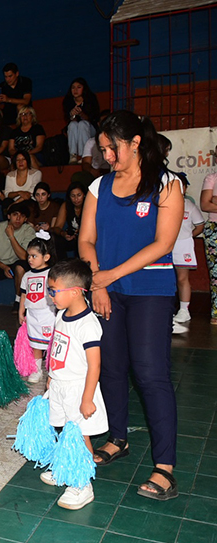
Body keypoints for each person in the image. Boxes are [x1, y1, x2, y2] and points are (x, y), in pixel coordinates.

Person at [78, 110, 184, 501]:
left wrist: (108, 275)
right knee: (111, 367)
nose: (107, 156)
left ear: (135, 142)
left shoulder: (166, 184)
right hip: (107, 290)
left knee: (151, 372)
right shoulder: (97, 187)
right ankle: (118, 438)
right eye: (103, 148)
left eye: (113, 147)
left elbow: (163, 244)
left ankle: (165, 467)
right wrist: (99, 280)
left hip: (150, 290)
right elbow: (86, 240)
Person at [40, 259, 109, 510]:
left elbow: (95, 366)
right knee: (64, 432)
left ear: (76, 291)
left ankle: (82, 484)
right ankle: (66, 468)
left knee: (80, 437)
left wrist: (87, 398)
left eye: (53, 291)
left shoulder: (88, 325)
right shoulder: (61, 315)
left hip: (78, 389)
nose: (50, 296)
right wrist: (51, 374)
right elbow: (57, 347)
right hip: (59, 385)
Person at [0, 201, 35, 309]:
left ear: (25, 219)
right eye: (15, 215)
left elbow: (24, 257)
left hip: (16, 263)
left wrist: (11, 237)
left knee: (21, 266)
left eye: (22, 216)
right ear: (9, 216)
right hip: (0, 263)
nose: (18, 219)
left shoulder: (28, 231)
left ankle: (18, 301)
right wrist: (4, 267)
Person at [18, 233, 57, 383]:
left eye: (34, 256)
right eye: (29, 256)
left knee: (51, 343)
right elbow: (23, 295)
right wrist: (21, 312)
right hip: (32, 315)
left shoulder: (51, 273)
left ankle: (54, 369)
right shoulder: (27, 275)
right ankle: (37, 369)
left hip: (48, 313)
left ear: (46, 257)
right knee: (36, 345)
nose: (30, 259)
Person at [171, 188, 205, 332]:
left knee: (182, 278)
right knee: (166, 278)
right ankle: (167, 308)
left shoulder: (189, 206)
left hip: (182, 245)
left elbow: (200, 225)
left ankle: (184, 311)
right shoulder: (164, 202)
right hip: (165, 244)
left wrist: (187, 237)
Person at [63, 78, 100, 164]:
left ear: (84, 88)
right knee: (73, 125)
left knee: (83, 124)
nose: (75, 90)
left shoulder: (91, 99)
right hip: (76, 131)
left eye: (78, 87)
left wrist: (82, 114)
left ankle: (84, 155)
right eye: (73, 87)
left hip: (90, 130)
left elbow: (94, 118)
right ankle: (73, 155)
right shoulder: (68, 101)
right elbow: (68, 120)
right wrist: (72, 115)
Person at [200, 170, 217, 325]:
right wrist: (211, 200)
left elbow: (211, 201)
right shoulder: (212, 177)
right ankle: (216, 312)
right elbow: (205, 204)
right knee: (216, 273)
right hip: (214, 228)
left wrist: (215, 200)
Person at [0, 62, 33, 127]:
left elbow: (26, 100)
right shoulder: (2, 87)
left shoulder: (25, 82)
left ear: (17, 74)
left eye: (10, 76)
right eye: (6, 77)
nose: (8, 79)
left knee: (20, 107)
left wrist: (8, 100)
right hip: (8, 113)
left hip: (24, 112)